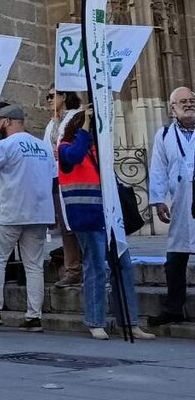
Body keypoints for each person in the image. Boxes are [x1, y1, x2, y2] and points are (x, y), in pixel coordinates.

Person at [58, 109, 155, 339]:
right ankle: (95, 321)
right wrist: (85, 127)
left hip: (110, 217)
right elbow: (75, 156)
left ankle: (129, 322)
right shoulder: (66, 148)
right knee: (96, 267)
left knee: (124, 267)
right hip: (87, 216)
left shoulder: (98, 151)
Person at [0, 104, 56, 332]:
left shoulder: (5, 144)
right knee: (34, 266)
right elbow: (51, 177)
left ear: (7, 121)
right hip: (38, 212)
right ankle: (34, 316)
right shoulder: (42, 146)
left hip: (10, 211)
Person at [148, 86, 195, 326]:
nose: (188, 104)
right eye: (182, 101)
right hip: (181, 201)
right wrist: (157, 199)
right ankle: (174, 308)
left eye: (191, 100)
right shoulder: (164, 134)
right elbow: (158, 168)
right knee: (175, 256)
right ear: (173, 108)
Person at [45, 88, 83, 288]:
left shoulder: (78, 117)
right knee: (67, 228)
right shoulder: (52, 122)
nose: (49, 100)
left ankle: (88, 265)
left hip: (77, 177)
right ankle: (73, 269)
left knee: (81, 224)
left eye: (52, 96)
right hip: (57, 177)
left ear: (64, 96)